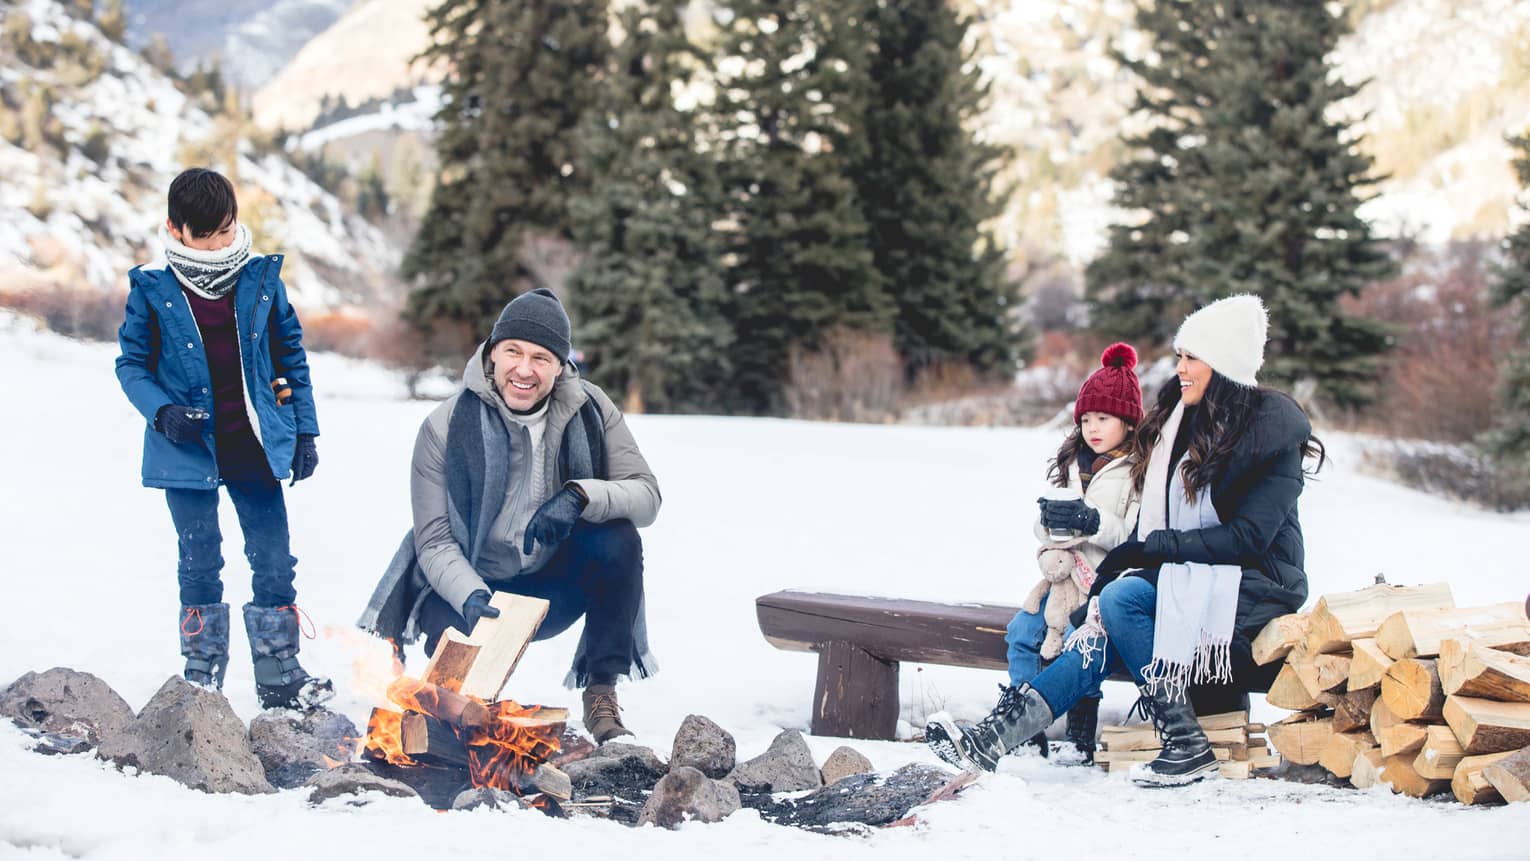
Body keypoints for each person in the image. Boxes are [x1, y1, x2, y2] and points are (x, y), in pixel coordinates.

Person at [927, 294, 1323, 787]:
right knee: (1106, 615)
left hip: (1253, 588)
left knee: (1120, 601)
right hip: (1188, 578)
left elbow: (1247, 539)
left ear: (1222, 364)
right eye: (1179, 356)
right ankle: (991, 743)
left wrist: (1149, 551)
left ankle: (1183, 743)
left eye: (1191, 357)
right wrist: (1122, 556)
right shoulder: (1183, 422)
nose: (1179, 368)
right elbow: (1153, 520)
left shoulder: (1273, 434)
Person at [360, 288, 661, 743]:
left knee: (618, 538)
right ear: (492, 354)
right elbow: (434, 541)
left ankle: (600, 691)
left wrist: (580, 496)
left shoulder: (592, 409)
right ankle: (465, 710)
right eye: (513, 352)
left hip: (552, 590)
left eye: (541, 357)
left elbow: (646, 497)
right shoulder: (444, 426)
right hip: (467, 591)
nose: (524, 369)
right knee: (455, 712)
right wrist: (471, 595)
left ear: (561, 366)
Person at [115, 167, 331, 710]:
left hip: (255, 445)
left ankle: (281, 674)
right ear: (175, 228)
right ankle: (202, 676)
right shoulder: (152, 287)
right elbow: (131, 365)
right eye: (206, 235)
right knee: (199, 560)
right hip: (186, 448)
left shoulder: (260, 278)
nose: (219, 244)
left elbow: (291, 356)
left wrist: (304, 430)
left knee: (275, 560)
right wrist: (162, 413)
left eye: (227, 230)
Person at [999, 342, 1144, 762]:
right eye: (1085, 419)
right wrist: (1050, 521)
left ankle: (1081, 731)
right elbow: (1041, 524)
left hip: (1101, 584)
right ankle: (1020, 719)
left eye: (1103, 418)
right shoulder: (1071, 463)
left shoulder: (1137, 471)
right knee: (1022, 632)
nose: (1092, 428)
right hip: (1060, 577)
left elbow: (1134, 535)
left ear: (1129, 422)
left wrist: (1092, 522)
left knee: (1082, 646)